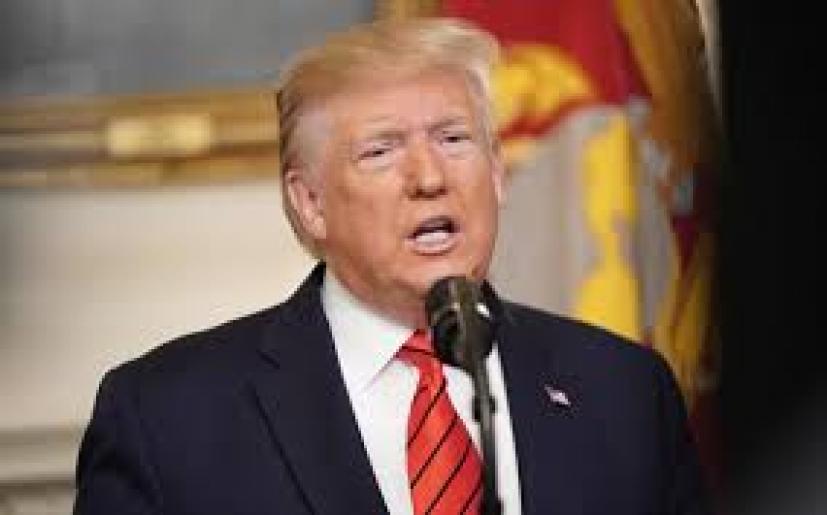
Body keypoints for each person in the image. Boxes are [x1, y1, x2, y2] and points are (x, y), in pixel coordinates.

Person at [73, 17, 712, 515]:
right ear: (310, 202)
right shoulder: (169, 418)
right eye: (381, 151)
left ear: (496, 172)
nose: (429, 177)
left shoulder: (624, 392)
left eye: (453, 139)